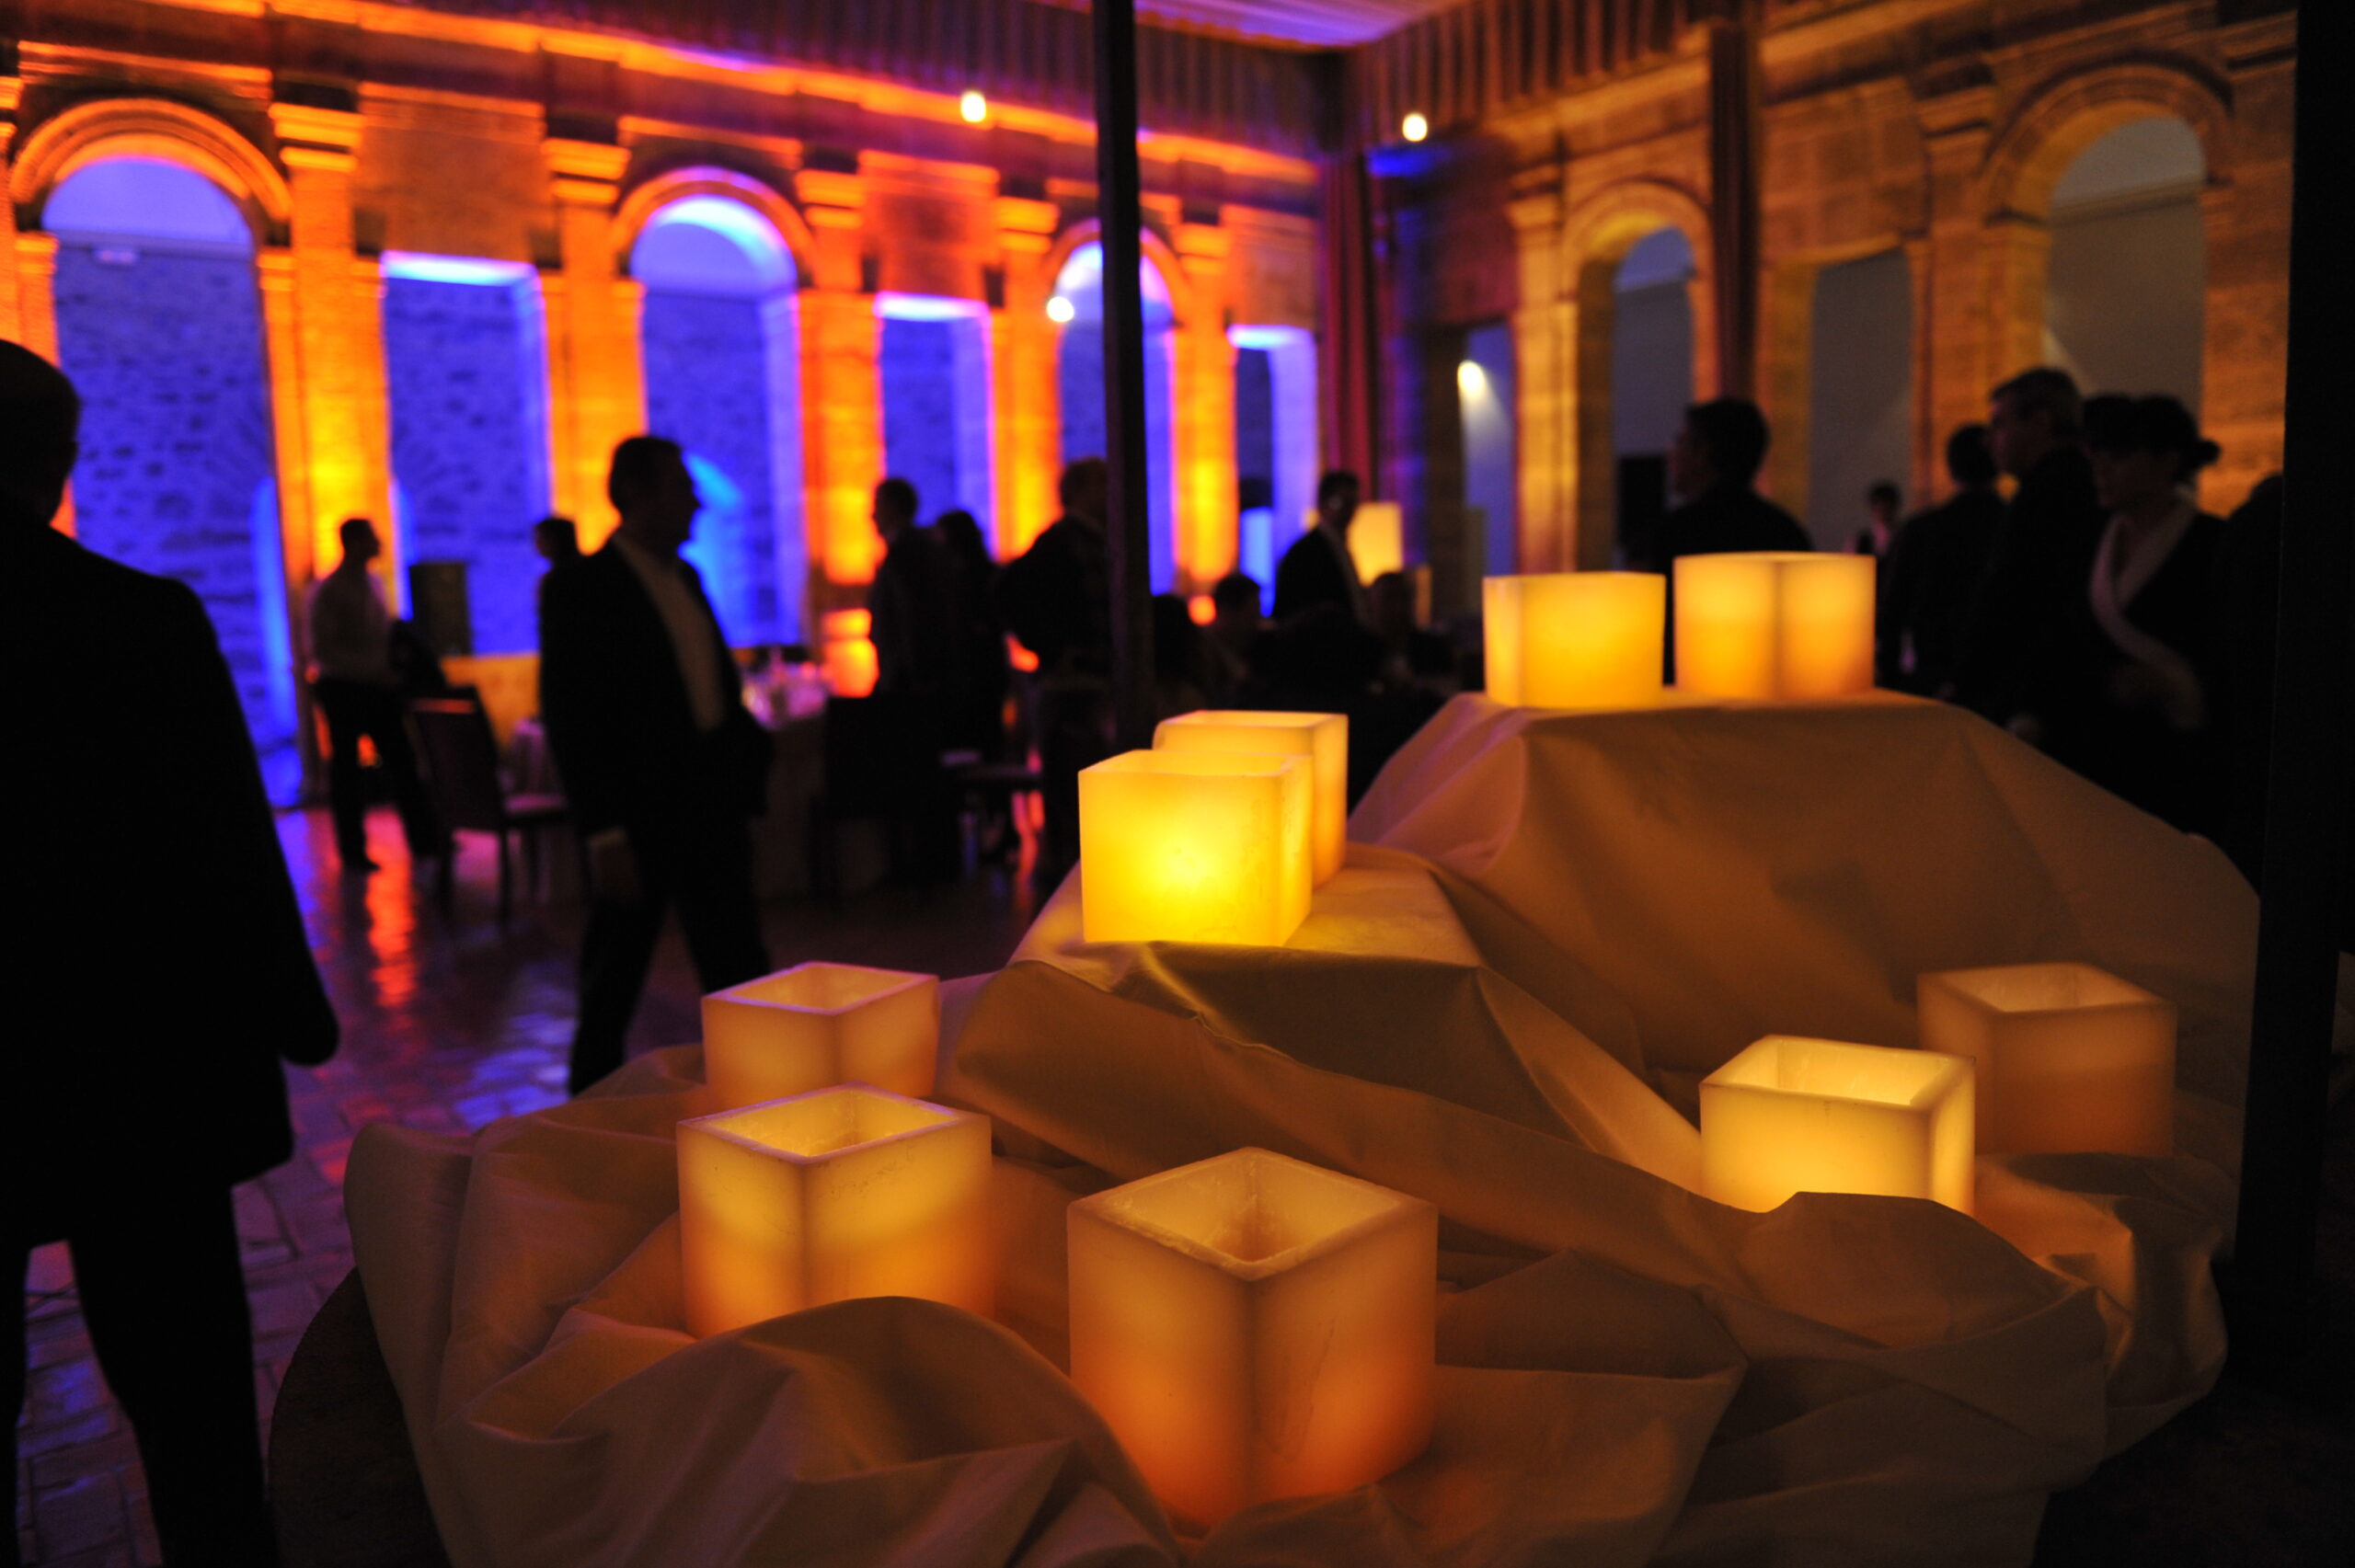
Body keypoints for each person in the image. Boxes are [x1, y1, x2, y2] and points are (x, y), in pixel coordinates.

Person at [4, 339, 339, 1568]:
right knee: (193, 1405)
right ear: (57, 465)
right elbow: (227, 840)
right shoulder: (137, 618)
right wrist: (295, 1010)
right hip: (137, 1065)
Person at [540, 435, 772, 1094]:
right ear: (634, 494)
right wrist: (604, 832)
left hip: (710, 807)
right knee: (613, 979)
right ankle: (588, 1110)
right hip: (640, 817)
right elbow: (573, 719)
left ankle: (760, 1093)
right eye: (681, 487)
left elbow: (711, 688)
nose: (696, 502)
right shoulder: (580, 588)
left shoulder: (687, 577)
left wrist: (743, 764)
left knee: (739, 970)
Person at [2041, 395, 2228, 831]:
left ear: (2168, 461)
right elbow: (2063, 639)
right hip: (2091, 746)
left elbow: (2234, 651)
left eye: (2120, 455)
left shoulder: (2215, 544)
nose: (2101, 469)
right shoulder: (2085, 542)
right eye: (2096, 455)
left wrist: (2173, 682)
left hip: (2177, 758)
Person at [1952, 367, 2107, 735]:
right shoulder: (2066, 486)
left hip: (2033, 705)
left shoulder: (2049, 496)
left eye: (1999, 424)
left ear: (2040, 422)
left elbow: (2026, 602)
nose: (1988, 440)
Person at [998, 458, 1112, 882]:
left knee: (1084, 782)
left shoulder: (1093, 540)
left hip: (1088, 679)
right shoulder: (1062, 542)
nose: (1109, 492)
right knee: (1071, 785)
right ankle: (1069, 879)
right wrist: (1054, 650)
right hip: (1072, 683)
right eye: (1100, 484)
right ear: (1077, 492)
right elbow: (1007, 591)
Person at [305, 516, 436, 874]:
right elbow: (323, 650)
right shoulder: (330, 590)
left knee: (402, 764)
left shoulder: (374, 583)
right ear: (354, 542)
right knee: (348, 772)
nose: (378, 544)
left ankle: (424, 840)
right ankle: (353, 851)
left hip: (375, 688)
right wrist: (375, 672)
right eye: (371, 538)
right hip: (344, 690)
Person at [1878, 426, 2005, 693]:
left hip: (1932, 670)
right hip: (2001, 676)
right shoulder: (2015, 525)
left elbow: (1894, 608)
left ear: (1951, 467)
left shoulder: (1923, 528)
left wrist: (1891, 677)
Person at [1633, 397, 1811, 570]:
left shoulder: (1672, 535)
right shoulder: (1786, 532)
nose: (1671, 452)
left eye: (1680, 440)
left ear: (1702, 452)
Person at [930, 508, 1012, 759]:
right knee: (988, 741)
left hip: (971, 672)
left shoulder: (955, 580)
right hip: (986, 669)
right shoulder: (987, 574)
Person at [867, 477, 958, 698]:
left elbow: (912, 619)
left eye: (878, 504)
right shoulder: (914, 550)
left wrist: (907, 677)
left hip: (910, 680)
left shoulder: (906, 555)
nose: (872, 515)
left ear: (893, 507)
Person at [1273, 470, 1370, 624]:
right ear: (1322, 504)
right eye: (1339, 503)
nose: (1348, 511)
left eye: (1352, 503)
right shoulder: (1304, 553)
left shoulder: (1341, 548)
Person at [1202, 569, 1264, 701]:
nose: (1259, 621)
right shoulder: (1200, 655)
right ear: (1226, 610)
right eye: (1252, 614)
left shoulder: (1256, 649)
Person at [1852, 480, 1902, 560]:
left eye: (1886, 506)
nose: (1882, 510)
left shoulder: (1904, 538)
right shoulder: (1859, 541)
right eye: (1878, 506)